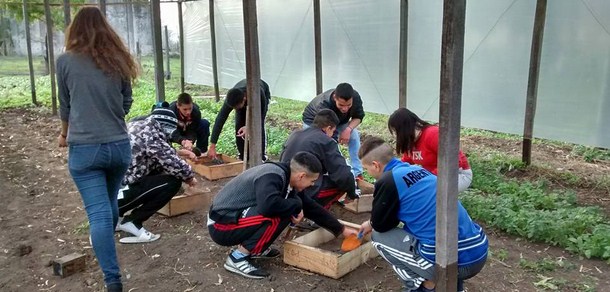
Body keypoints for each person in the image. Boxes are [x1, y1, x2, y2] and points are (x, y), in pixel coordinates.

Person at [56, 7, 138, 292]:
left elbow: (65, 105)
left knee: (99, 215)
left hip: (84, 150)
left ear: (74, 29)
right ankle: (102, 237)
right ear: (106, 28)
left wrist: (65, 134)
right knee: (108, 204)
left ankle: (112, 281)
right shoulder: (117, 60)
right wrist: (114, 117)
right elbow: (127, 101)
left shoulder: (65, 61)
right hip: (118, 148)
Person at [357, 137, 488, 292]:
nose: (368, 173)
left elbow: (381, 225)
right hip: (478, 252)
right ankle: (454, 287)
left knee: (378, 237)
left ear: (375, 165)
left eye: (367, 169)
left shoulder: (388, 180)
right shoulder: (418, 170)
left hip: (455, 265)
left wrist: (371, 224)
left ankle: (423, 286)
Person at [207, 152, 357, 279]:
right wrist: (297, 205)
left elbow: (311, 207)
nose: (312, 185)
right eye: (311, 181)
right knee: (278, 211)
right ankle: (237, 258)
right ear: (301, 176)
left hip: (233, 218)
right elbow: (267, 207)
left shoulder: (287, 178)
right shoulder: (272, 176)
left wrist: (341, 229)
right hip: (221, 225)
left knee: (286, 208)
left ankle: (256, 248)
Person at [116, 105, 198, 243]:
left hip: (115, 186)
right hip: (120, 192)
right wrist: (189, 177)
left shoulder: (140, 126)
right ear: (165, 126)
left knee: (159, 171)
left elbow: (157, 152)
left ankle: (116, 217)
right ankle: (133, 221)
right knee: (172, 182)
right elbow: (168, 159)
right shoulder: (150, 133)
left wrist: (178, 152)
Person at [280, 109, 359, 210]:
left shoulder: (296, 134)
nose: (332, 135)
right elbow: (343, 175)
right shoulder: (326, 141)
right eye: (333, 131)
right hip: (304, 188)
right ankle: (315, 213)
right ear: (328, 128)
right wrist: (352, 193)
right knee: (342, 183)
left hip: (285, 185)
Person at [388, 108, 473, 192]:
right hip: (432, 177)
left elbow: (453, 162)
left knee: (421, 192)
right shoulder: (411, 141)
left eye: (396, 131)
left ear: (404, 128)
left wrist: (427, 177)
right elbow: (405, 162)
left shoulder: (433, 134)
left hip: (457, 174)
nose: (396, 135)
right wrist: (389, 173)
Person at [302, 83, 365, 181]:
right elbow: (330, 137)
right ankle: (333, 174)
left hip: (339, 121)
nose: (345, 108)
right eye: (341, 105)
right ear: (335, 98)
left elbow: (358, 117)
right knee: (325, 147)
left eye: (349, 105)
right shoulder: (323, 104)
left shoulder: (355, 97)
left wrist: (348, 130)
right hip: (314, 122)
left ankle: (357, 173)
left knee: (354, 136)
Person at [207, 79, 271, 161]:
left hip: (261, 94)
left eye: (237, 107)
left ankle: (260, 156)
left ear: (244, 99)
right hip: (242, 97)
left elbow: (260, 118)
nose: (235, 109)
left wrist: (248, 126)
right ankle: (243, 156)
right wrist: (212, 146)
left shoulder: (258, 93)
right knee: (239, 126)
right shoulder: (231, 99)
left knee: (258, 127)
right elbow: (220, 119)